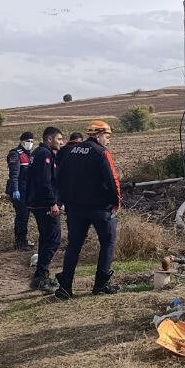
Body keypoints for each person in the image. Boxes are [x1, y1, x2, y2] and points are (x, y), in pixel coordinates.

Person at [55, 120, 122, 298]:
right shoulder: (101, 153)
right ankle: (101, 284)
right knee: (108, 242)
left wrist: (62, 200)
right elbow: (112, 178)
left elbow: (59, 178)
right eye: (107, 137)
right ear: (98, 135)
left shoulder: (69, 151)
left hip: (75, 208)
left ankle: (65, 287)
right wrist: (117, 201)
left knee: (74, 245)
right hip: (100, 208)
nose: (108, 141)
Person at [26, 126, 64, 293]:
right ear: (50, 139)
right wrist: (52, 203)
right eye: (59, 139)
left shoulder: (38, 153)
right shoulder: (45, 154)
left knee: (46, 239)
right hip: (44, 204)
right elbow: (45, 181)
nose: (61, 143)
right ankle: (41, 276)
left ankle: (40, 276)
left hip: (38, 203)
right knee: (54, 239)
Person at [6, 131, 35, 250]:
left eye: (32, 141)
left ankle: (23, 240)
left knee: (25, 216)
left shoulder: (29, 154)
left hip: (27, 190)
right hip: (18, 190)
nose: (30, 143)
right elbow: (14, 174)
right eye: (28, 141)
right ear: (22, 141)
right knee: (22, 216)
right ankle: (20, 243)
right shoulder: (15, 154)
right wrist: (15, 189)